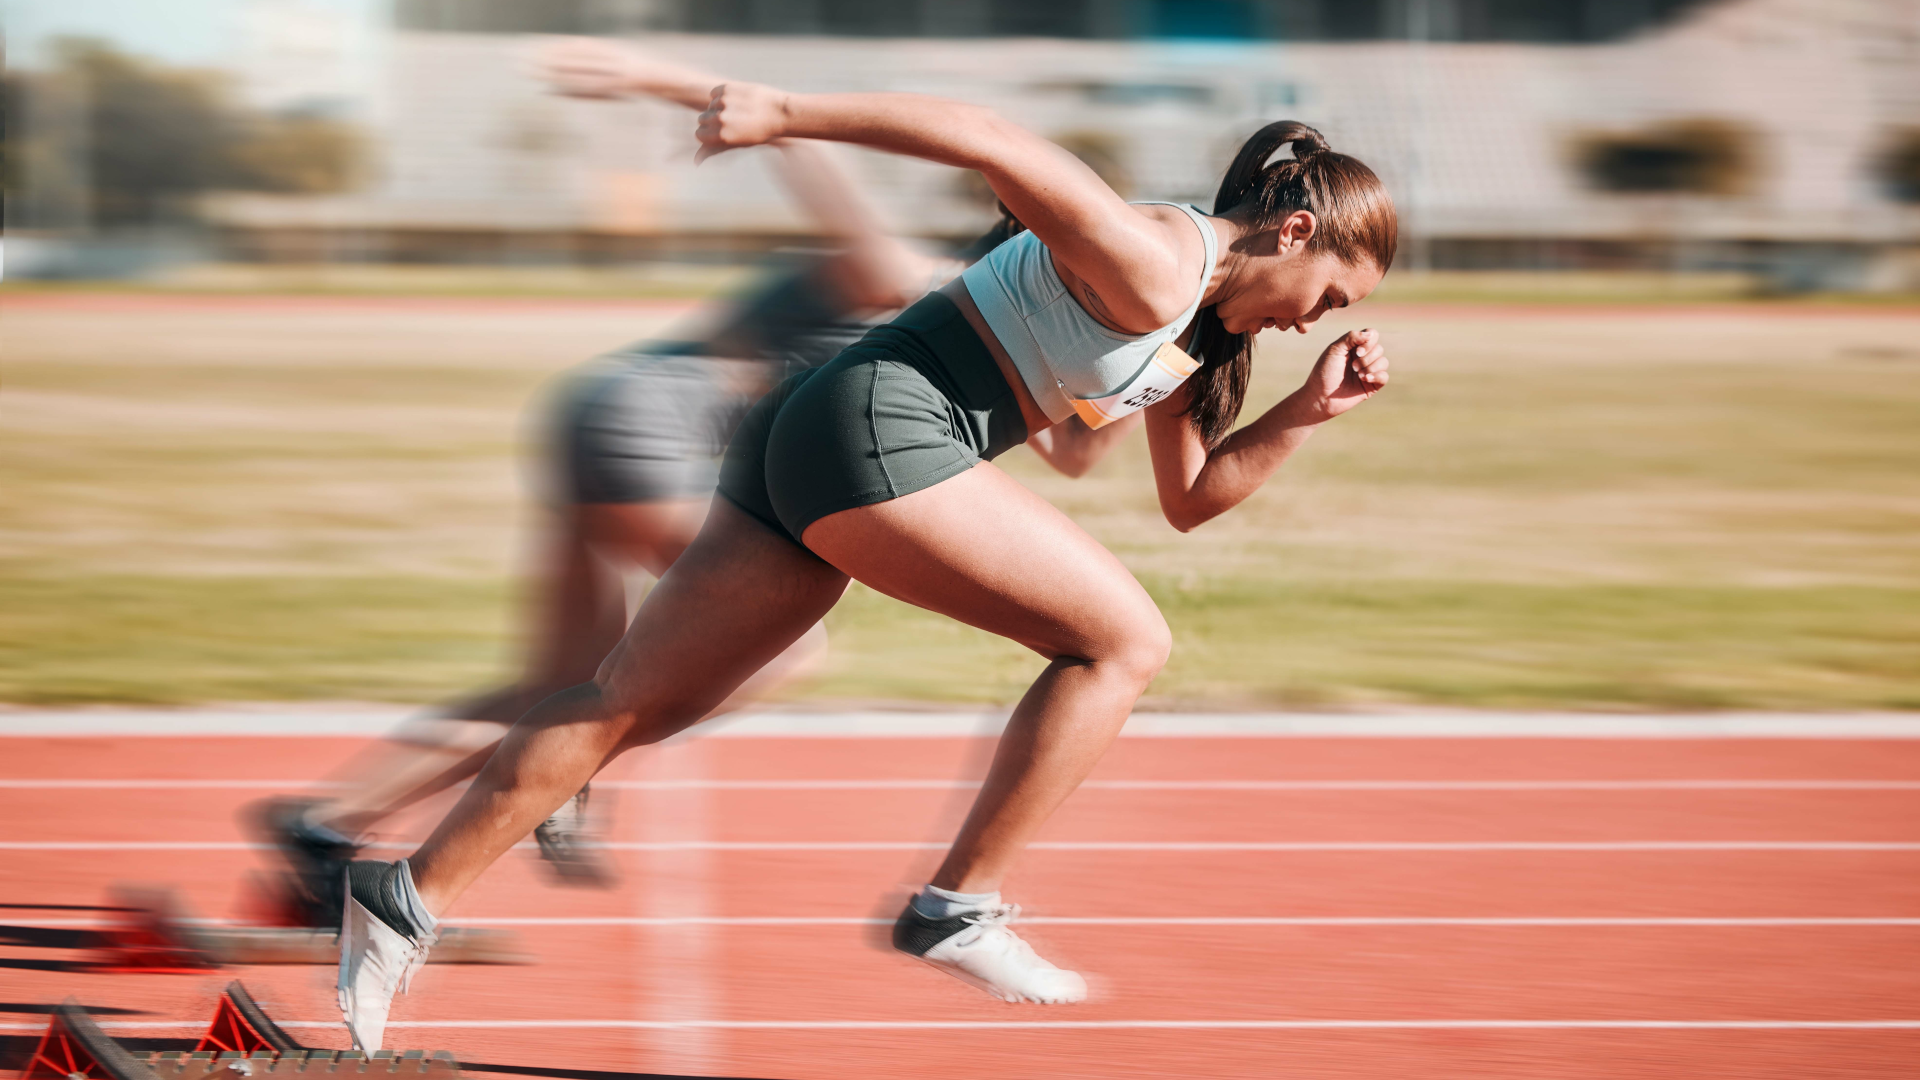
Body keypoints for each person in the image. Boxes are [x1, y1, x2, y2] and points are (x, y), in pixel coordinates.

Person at [333, 79, 1396, 1049]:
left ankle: (402, 901)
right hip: (878, 421)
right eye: (1330, 297)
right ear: (1297, 230)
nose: (1317, 324)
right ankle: (956, 908)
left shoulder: (1197, 334)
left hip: (817, 430)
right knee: (1125, 641)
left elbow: (1181, 497)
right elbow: (990, 136)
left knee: (627, 704)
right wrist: (783, 115)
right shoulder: (1159, 256)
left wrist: (1306, 410)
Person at [252, 40, 1134, 927]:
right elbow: (808, 156)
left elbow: (1076, 453)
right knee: (776, 649)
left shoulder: (1016, 354)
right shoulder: (923, 286)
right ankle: (558, 780)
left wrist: (1149, 365)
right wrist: (668, 82)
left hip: (603, 414)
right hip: (647, 429)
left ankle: (323, 828)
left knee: (556, 683)